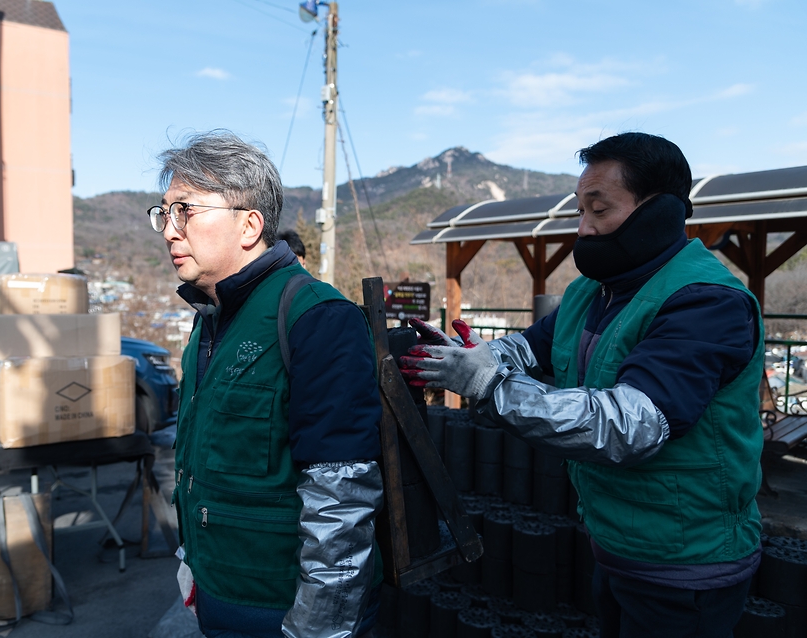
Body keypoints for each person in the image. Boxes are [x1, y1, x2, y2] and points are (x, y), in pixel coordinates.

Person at [400, 132, 763, 638]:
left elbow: (630, 425)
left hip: (685, 562)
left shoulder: (706, 301)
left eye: (600, 210)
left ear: (658, 213)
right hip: (614, 541)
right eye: (579, 211)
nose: (584, 229)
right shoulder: (590, 292)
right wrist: (471, 356)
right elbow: (528, 349)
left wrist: (486, 384)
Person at [148, 130, 384, 638]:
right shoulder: (208, 320)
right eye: (163, 214)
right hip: (217, 593)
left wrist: (317, 627)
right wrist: (191, 558)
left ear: (249, 224)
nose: (169, 230)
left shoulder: (316, 317)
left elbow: (341, 498)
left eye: (184, 211)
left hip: (279, 609)